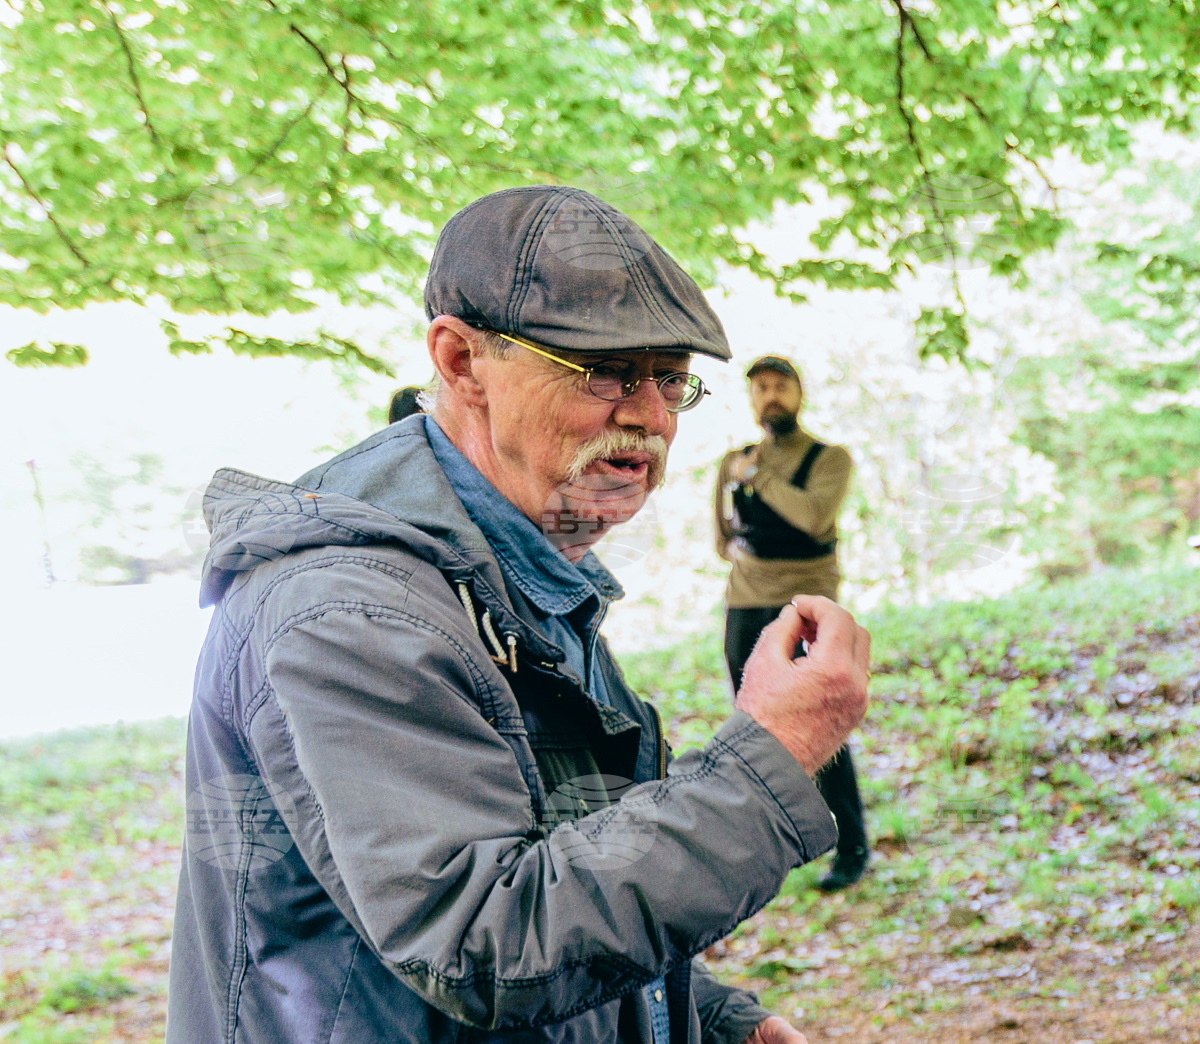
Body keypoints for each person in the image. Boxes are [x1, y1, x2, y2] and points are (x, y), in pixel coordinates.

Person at [167, 186, 870, 1044]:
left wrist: (712, 1021)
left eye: (670, 378)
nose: (649, 417)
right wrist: (773, 755)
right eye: (606, 372)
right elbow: (483, 942)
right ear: (462, 361)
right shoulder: (351, 610)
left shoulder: (516, 565)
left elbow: (561, 854)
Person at [715, 356, 869, 892]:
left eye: (780, 386)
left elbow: (813, 517)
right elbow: (721, 537)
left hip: (806, 604)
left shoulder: (829, 458)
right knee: (753, 723)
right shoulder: (732, 461)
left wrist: (757, 477)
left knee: (819, 721)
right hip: (745, 600)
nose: (770, 396)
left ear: (800, 393)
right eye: (760, 388)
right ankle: (772, 846)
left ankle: (850, 846)